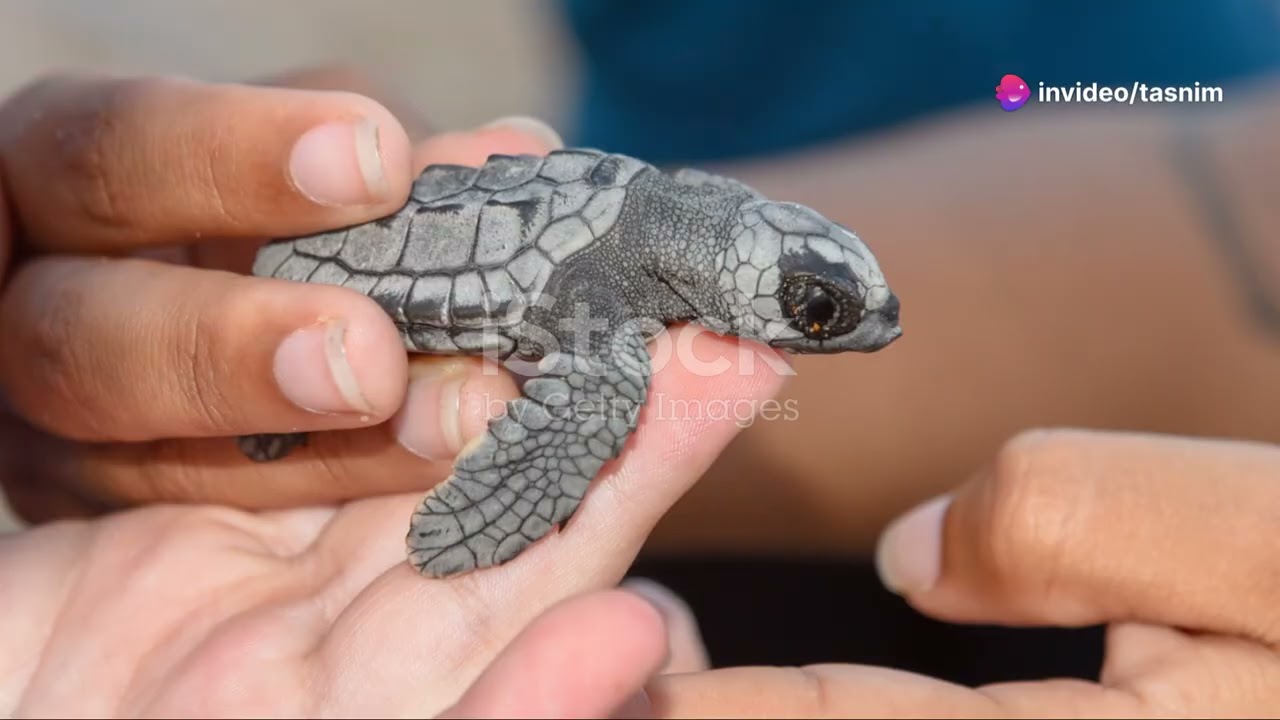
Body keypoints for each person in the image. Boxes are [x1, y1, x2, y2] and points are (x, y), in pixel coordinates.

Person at [2, 63, 1280, 717]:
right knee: (580, 402)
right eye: (822, 313)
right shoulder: (618, 300)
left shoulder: (658, 223)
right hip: (353, 285)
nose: (849, 333)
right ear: (737, 259)